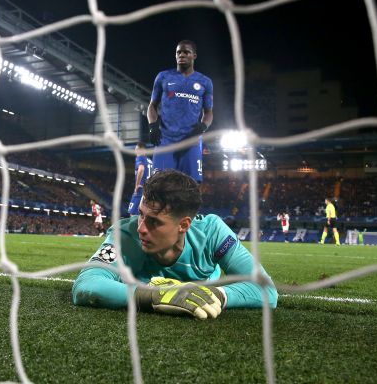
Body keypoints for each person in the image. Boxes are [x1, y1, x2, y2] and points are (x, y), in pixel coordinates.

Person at [72, 170, 277, 319]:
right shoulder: (125, 235)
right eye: (141, 215)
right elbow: (86, 284)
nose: (141, 228)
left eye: (154, 221)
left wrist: (217, 295)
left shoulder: (213, 233)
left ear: (183, 225)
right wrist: (153, 296)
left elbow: (267, 290)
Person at [147, 40, 213, 183]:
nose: (181, 55)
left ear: (194, 55)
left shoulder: (205, 82)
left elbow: (208, 112)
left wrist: (202, 127)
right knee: (158, 183)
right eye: (178, 52)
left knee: (191, 185)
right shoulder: (163, 77)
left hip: (191, 140)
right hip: (165, 139)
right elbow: (152, 106)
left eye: (186, 52)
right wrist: (153, 127)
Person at [126, 141, 153, 216]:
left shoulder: (140, 158)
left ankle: (135, 228)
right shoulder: (150, 161)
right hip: (149, 191)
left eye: (136, 149)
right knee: (143, 214)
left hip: (140, 189)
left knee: (132, 213)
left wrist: (137, 185)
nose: (135, 151)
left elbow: (141, 169)